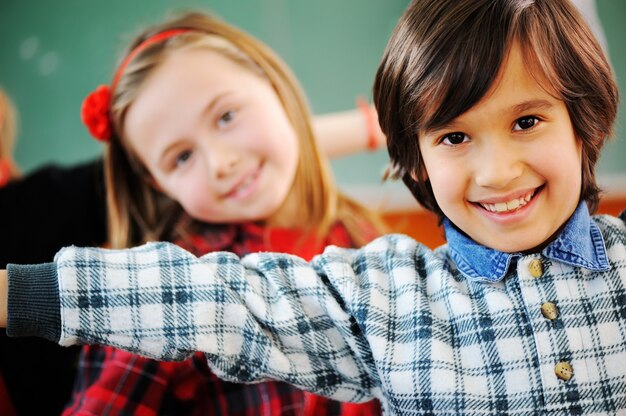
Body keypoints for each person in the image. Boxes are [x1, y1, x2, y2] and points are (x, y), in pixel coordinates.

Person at [2, 0, 624, 414]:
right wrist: (18, 294)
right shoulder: (384, 287)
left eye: (528, 121)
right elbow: (212, 300)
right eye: (180, 157)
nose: (497, 170)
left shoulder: (355, 233)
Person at [6, 10, 387, 416]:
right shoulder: (164, 289)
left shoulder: (362, 238)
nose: (220, 162)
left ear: (272, 84)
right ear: (159, 185)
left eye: (226, 117)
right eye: (182, 157)